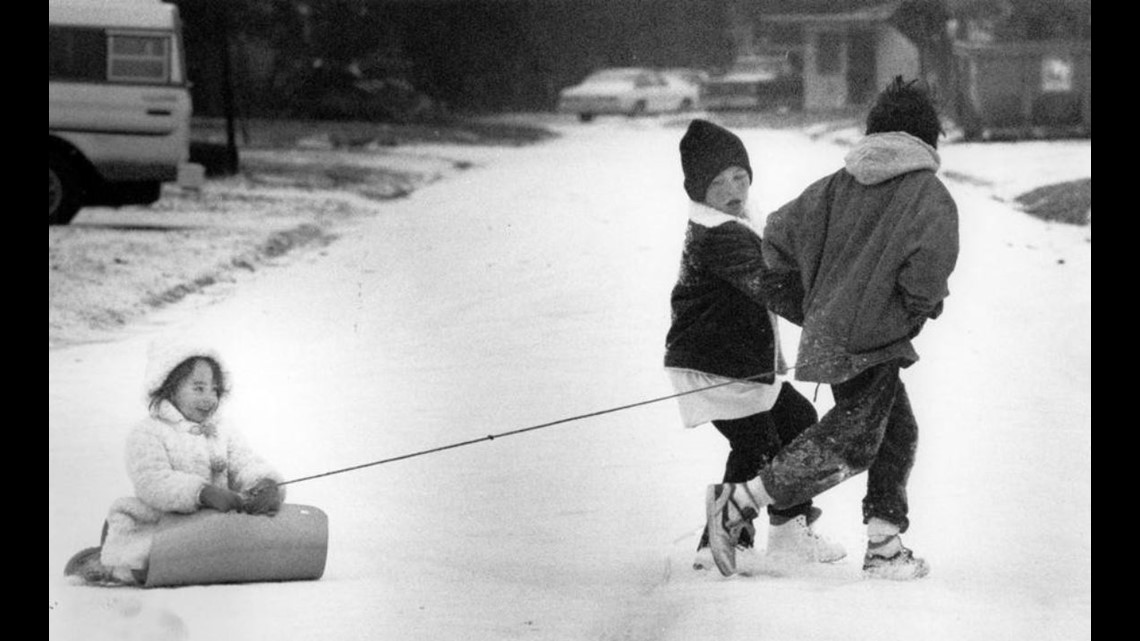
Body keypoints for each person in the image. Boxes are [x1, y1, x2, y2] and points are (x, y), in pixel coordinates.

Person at [704, 77, 960, 580]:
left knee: (896, 433)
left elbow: (777, 234)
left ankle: (885, 544)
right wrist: (912, 312)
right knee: (851, 440)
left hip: (835, 333)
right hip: (872, 338)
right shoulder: (929, 195)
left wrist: (818, 301)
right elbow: (926, 276)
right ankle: (740, 501)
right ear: (927, 138)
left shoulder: (834, 185)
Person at [666, 119, 845, 570]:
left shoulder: (740, 220)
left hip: (740, 362)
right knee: (757, 448)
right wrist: (833, 323)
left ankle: (782, 531)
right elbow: (771, 286)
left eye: (739, 177)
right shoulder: (717, 236)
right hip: (716, 366)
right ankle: (721, 545)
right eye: (718, 181)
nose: (732, 188)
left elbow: (783, 255)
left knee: (798, 421)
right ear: (696, 190)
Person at [64, 339, 286, 586]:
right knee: (144, 564)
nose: (210, 398)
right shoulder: (149, 433)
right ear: (169, 388)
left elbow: (245, 461)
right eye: (199, 388)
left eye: (215, 390)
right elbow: (152, 480)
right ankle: (107, 563)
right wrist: (201, 492)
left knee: (240, 550)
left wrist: (264, 483)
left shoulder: (223, 431)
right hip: (163, 523)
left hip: (215, 526)